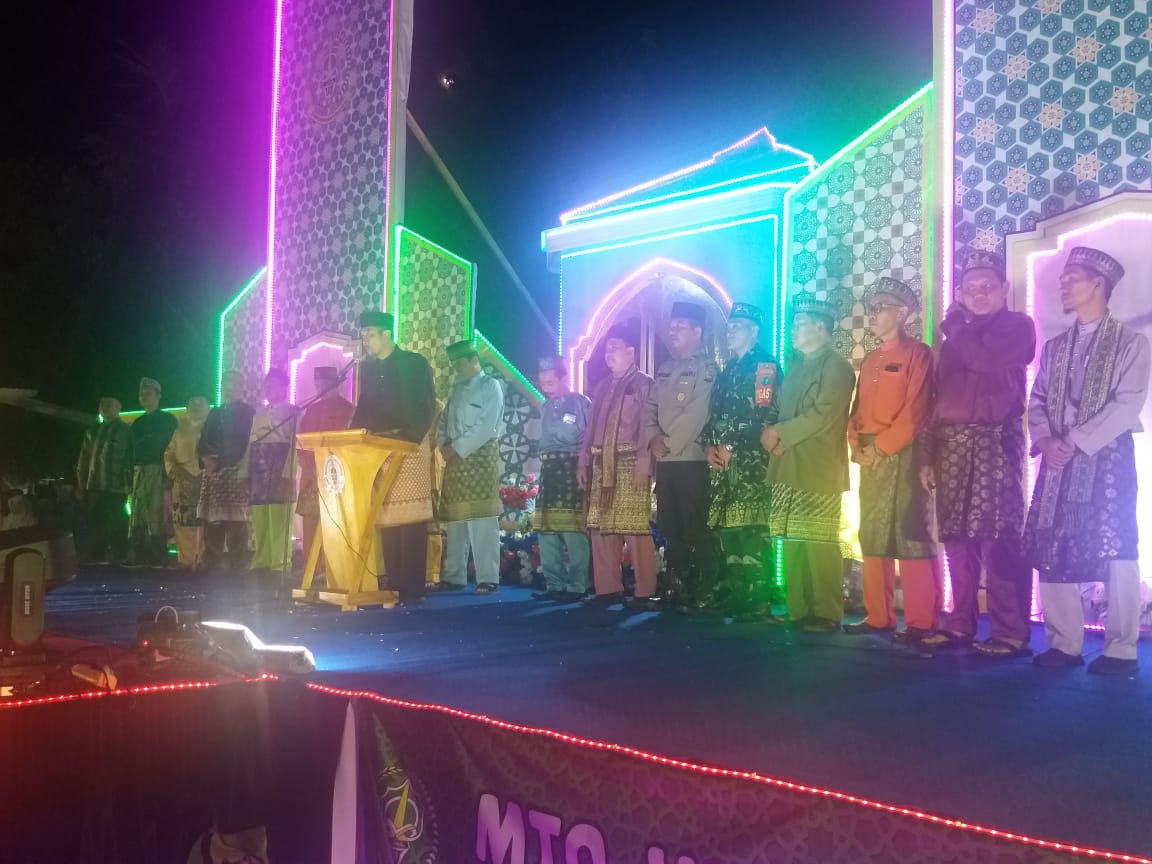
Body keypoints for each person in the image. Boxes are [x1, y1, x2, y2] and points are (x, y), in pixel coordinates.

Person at [1024, 247, 1149, 675]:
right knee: (1051, 542)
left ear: (1099, 284)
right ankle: (1064, 643)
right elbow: (1038, 399)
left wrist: (1075, 441)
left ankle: (1120, 649)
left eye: (1072, 277)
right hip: (1057, 459)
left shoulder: (1132, 343)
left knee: (1116, 548)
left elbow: (1127, 405)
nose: (1063, 284)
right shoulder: (1056, 347)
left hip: (1107, 458)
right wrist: (1045, 438)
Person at [917, 252, 1037, 657]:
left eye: (988, 286)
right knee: (956, 539)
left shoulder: (1017, 326)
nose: (979, 293)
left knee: (997, 538)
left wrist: (954, 326)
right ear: (960, 293)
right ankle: (959, 625)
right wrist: (926, 455)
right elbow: (936, 401)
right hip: (951, 445)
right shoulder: (953, 340)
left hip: (994, 442)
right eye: (971, 288)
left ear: (1004, 289)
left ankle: (1010, 631)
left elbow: (983, 359)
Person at [843, 278, 941, 641]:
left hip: (904, 453)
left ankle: (921, 622)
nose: (873, 314)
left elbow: (917, 412)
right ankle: (878, 616)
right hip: (871, 458)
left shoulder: (919, 354)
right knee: (871, 532)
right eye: (872, 308)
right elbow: (856, 412)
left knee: (911, 533)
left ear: (902, 313)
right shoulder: (871, 359)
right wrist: (857, 447)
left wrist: (881, 448)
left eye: (881, 307)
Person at [761, 297, 856, 632]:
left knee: (818, 541)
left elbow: (823, 415)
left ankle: (827, 613)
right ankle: (798, 609)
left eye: (800, 324)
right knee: (792, 540)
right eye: (794, 323)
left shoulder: (837, 367)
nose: (793, 330)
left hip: (818, 465)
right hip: (787, 461)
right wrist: (772, 434)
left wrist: (780, 433)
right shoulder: (796, 365)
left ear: (821, 327)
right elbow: (781, 410)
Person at [351, 310, 437, 605]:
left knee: (410, 518)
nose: (365, 340)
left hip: (410, 445)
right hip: (380, 448)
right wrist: (353, 437)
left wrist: (410, 438)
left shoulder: (414, 363)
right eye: (363, 335)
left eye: (370, 334)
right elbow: (363, 408)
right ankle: (394, 584)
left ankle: (412, 587)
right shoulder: (369, 370)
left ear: (387, 334)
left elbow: (427, 403)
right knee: (387, 515)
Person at [704, 302, 781, 618]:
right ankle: (738, 594)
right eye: (730, 325)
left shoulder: (765, 367)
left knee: (751, 530)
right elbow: (714, 414)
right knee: (729, 531)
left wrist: (730, 445)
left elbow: (764, 412)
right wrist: (709, 446)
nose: (730, 331)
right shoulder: (728, 371)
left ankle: (758, 598)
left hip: (750, 465)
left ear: (754, 331)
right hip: (723, 465)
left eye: (738, 326)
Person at [644, 301, 720, 611]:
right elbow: (649, 408)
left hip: (690, 459)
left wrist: (669, 443)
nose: (672, 331)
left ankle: (703, 589)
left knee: (694, 526)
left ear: (697, 331)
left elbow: (697, 413)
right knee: (670, 527)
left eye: (680, 327)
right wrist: (653, 438)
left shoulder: (706, 368)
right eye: (671, 326)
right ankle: (676, 587)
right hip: (665, 461)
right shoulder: (664, 368)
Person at [580, 325, 659, 608]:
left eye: (615, 347)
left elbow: (649, 427)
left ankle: (645, 591)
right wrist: (583, 461)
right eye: (606, 349)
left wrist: (644, 464)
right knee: (601, 528)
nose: (608, 353)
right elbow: (590, 429)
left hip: (630, 463)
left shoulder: (644, 384)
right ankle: (608, 589)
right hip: (601, 463)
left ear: (631, 351)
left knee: (634, 528)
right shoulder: (602, 386)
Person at [433, 340, 504, 594]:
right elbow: (444, 422)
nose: (456, 370)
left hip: (480, 459)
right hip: (455, 458)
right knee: (456, 519)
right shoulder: (457, 389)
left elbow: (486, 426)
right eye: (453, 365)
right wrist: (443, 444)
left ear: (474, 360)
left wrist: (456, 447)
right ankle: (454, 576)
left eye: (460, 364)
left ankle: (488, 577)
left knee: (482, 518)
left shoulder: (490, 386)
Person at [532, 356, 592, 602]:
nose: (546, 388)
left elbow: (588, 438)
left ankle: (578, 586)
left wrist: (583, 466)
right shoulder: (545, 406)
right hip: (549, 468)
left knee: (572, 528)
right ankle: (554, 584)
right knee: (546, 527)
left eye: (550, 383)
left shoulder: (580, 402)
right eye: (543, 384)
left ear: (563, 378)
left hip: (571, 466)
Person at [296, 366, 355, 569]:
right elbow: (302, 441)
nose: (320, 387)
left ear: (335, 383)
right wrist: (308, 466)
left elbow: (349, 443)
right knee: (311, 520)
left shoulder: (348, 409)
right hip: (312, 475)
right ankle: (312, 568)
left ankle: (334, 568)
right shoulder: (311, 410)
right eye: (317, 384)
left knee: (336, 521)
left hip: (336, 475)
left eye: (324, 383)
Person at [198, 372, 256, 570]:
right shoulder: (215, 412)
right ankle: (212, 560)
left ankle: (238, 562)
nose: (228, 389)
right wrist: (204, 458)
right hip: (213, 472)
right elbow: (204, 438)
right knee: (213, 518)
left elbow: (244, 442)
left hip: (235, 470)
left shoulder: (247, 412)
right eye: (225, 385)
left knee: (236, 519)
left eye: (233, 385)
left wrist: (221, 461)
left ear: (241, 387)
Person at [247, 369, 297, 573]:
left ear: (284, 387)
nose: (268, 388)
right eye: (266, 384)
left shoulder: (293, 411)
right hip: (259, 466)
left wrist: (289, 472)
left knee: (279, 515)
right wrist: (245, 471)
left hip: (280, 464)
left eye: (273, 384)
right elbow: (250, 443)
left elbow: (295, 442)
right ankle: (262, 560)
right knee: (259, 514)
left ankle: (280, 562)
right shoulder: (258, 413)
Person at [127, 377, 178, 567]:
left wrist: (168, 475)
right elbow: (131, 451)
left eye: (148, 393)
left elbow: (172, 449)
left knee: (158, 514)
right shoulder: (137, 423)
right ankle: (139, 555)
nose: (144, 397)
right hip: (138, 472)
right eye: (141, 394)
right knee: (138, 513)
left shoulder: (168, 420)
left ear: (159, 396)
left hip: (158, 470)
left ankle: (158, 556)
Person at [76, 397, 132, 563]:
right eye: (102, 405)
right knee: (95, 521)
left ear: (119, 407)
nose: (105, 407)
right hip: (94, 485)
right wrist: (81, 484)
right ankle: (97, 555)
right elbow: (84, 459)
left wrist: (130, 483)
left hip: (117, 485)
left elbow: (131, 457)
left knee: (118, 521)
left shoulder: (126, 430)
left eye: (110, 404)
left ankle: (120, 555)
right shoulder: (92, 431)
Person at [164, 395, 210, 569]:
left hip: (206, 479)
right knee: (183, 521)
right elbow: (169, 453)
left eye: (200, 403)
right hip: (182, 480)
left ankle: (201, 558)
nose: (196, 406)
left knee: (204, 520)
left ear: (208, 408)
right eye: (192, 404)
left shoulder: (212, 428)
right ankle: (185, 559)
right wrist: (174, 470)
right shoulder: (179, 429)